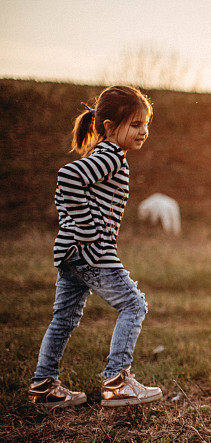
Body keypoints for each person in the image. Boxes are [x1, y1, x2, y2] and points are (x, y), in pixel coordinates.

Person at [28, 85, 162, 408]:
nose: (143, 131)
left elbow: (65, 193)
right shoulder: (111, 157)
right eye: (134, 125)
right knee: (133, 305)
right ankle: (117, 381)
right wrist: (88, 231)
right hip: (93, 254)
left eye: (145, 124)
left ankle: (44, 385)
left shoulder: (101, 156)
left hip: (71, 254)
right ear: (110, 128)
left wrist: (73, 230)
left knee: (64, 317)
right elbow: (68, 178)